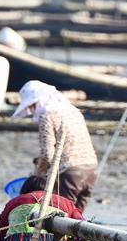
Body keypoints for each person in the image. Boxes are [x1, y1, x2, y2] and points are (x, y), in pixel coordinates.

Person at [12, 81, 98, 212]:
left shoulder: (47, 116)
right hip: (91, 169)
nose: (32, 110)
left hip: (69, 172)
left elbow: (47, 154)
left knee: (60, 217)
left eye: (33, 105)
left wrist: (38, 173)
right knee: (77, 219)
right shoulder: (73, 111)